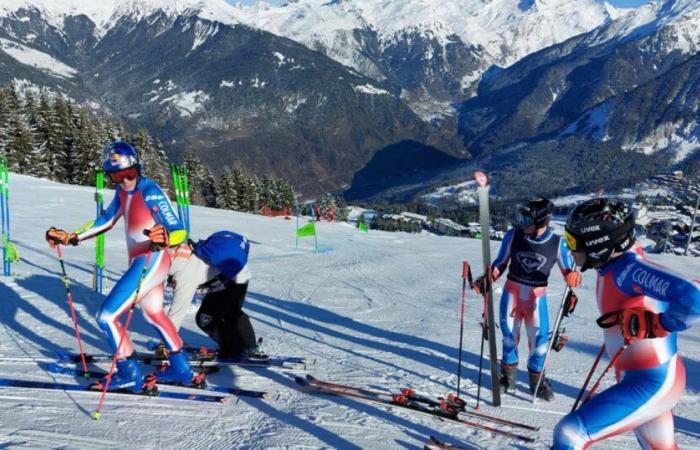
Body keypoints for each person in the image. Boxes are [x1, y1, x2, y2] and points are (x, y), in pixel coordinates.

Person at [45, 141, 199, 392]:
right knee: (154, 315)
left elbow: (179, 229)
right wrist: (72, 237)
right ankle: (181, 369)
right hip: (144, 261)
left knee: (107, 316)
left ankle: (129, 373)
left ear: (138, 168)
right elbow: (106, 221)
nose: (125, 180)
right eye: (117, 176)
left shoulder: (150, 192)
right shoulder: (122, 193)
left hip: (151, 260)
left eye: (130, 173)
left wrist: (167, 238)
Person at [553, 198, 700, 449]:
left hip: (653, 381)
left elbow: (693, 297)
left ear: (599, 243)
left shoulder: (629, 269)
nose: (569, 249)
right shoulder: (612, 267)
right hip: (640, 377)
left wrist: (660, 324)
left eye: (574, 242)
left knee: (570, 433)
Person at [473, 197, 581, 400]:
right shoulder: (513, 235)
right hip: (512, 293)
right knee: (508, 336)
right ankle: (507, 378)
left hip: (536, 298)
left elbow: (568, 270)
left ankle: (537, 382)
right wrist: (486, 279)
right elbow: (500, 262)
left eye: (526, 219)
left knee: (540, 340)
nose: (521, 223)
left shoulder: (557, 244)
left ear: (541, 221)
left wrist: (573, 276)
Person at [165, 230, 261, 359]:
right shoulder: (182, 253)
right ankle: (244, 346)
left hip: (235, 280)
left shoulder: (184, 275)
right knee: (217, 315)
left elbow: (178, 311)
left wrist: (168, 343)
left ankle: (239, 348)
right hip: (229, 277)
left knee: (211, 318)